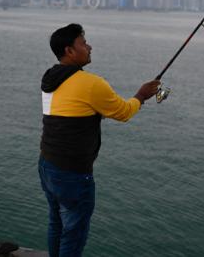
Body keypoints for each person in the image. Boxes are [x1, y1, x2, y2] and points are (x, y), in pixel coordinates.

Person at [38, 23, 160, 257]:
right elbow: (123, 112)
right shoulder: (91, 83)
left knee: (56, 222)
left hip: (46, 164)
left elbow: (73, 110)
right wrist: (142, 95)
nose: (89, 47)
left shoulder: (50, 79)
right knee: (74, 231)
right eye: (83, 43)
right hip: (72, 173)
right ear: (70, 51)